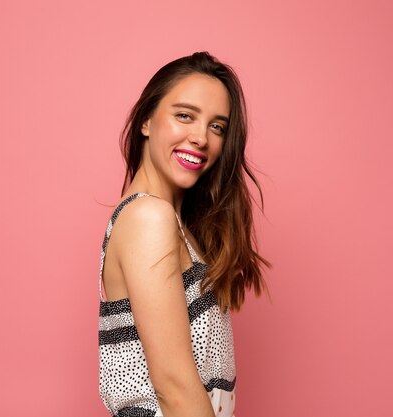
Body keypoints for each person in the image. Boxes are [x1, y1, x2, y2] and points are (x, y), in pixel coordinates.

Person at [98, 51, 269, 417]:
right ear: (146, 120)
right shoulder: (148, 217)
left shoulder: (175, 226)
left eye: (217, 126)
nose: (201, 138)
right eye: (184, 116)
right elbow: (174, 386)